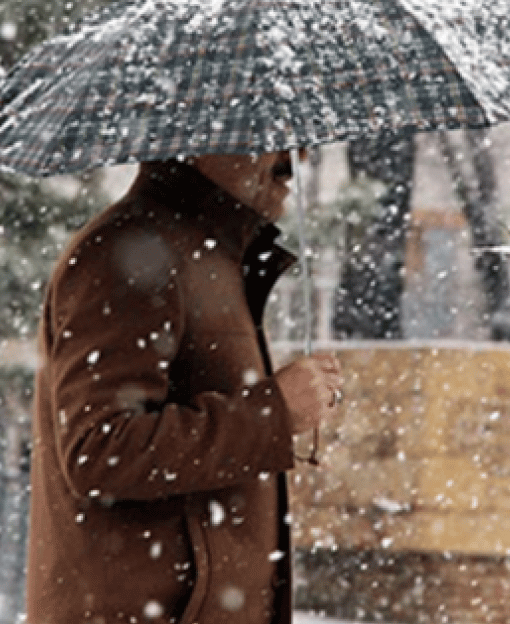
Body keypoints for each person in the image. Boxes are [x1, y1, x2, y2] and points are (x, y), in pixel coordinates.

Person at [25, 151, 343, 624]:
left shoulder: (205, 255)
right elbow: (99, 450)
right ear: (201, 140)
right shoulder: (128, 252)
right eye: (265, 136)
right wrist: (274, 414)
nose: (292, 161)